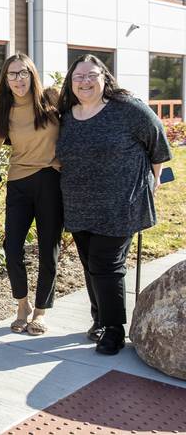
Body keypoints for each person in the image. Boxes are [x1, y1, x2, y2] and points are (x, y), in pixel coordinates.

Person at [56, 54, 171, 355]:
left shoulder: (128, 110)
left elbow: (158, 145)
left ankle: (114, 330)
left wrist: (153, 181)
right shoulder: (67, 115)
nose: (85, 81)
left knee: (106, 265)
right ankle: (99, 319)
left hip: (121, 204)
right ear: (71, 82)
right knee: (90, 264)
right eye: (78, 76)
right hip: (79, 204)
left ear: (105, 77)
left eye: (91, 75)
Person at [0, 53, 62, 336]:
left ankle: (41, 312)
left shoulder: (52, 101)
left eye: (23, 73)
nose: (18, 79)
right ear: (5, 80)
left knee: (48, 249)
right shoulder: (1, 111)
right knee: (12, 248)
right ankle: (23, 305)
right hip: (18, 182)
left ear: (32, 75)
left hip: (50, 181)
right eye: (12, 74)